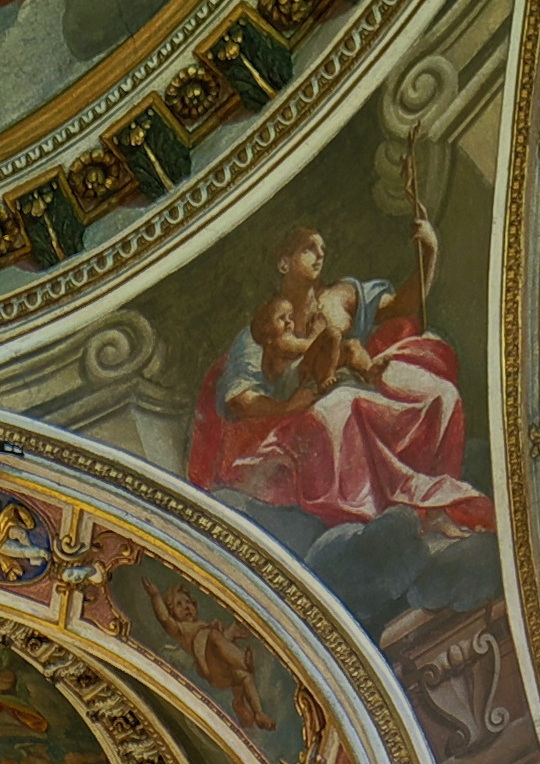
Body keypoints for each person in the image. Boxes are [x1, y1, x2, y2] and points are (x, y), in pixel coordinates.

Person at [189, 213, 488, 540]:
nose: (320, 255)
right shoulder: (264, 327)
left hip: (364, 380)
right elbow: (240, 400)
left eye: (322, 248)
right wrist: (288, 407)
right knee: (338, 409)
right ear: (284, 263)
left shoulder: (342, 297)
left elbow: (403, 305)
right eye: (309, 248)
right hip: (310, 408)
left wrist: (429, 251)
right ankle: (374, 517)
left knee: (440, 394)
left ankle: (436, 511)